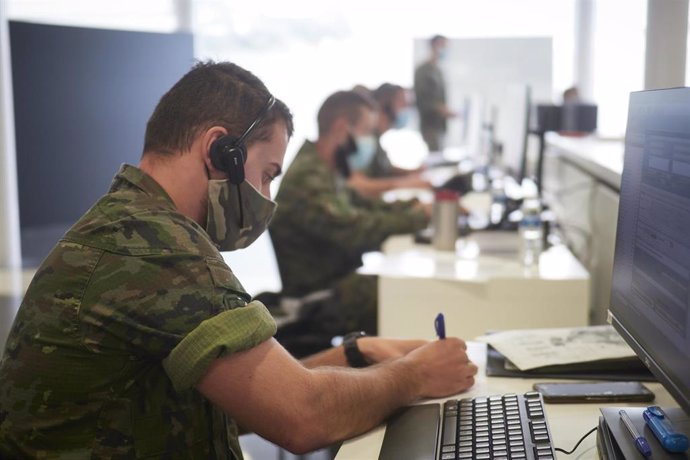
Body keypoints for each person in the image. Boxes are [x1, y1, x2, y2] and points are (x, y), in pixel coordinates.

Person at [0, 61, 478, 458]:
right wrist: (415, 375)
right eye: (266, 174)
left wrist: (356, 355)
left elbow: (243, 398)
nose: (266, 197)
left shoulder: (131, 221)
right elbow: (304, 417)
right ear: (218, 151)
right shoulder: (158, 249)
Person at [270, 90, 431, 337]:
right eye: (366, 131)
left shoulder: (326, 168)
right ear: (342, 128)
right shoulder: (309, 178)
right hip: (314, 300)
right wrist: (420, 217)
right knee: (400, 291)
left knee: (401, 284)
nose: (369, 141)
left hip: (334, 284)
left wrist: (413, 207)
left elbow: (365, 206)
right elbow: (355, 229)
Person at [345, 83, 431, 198]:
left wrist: (412, 173)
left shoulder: (372, 139)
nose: (405, 108)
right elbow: (356, 182)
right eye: (402, 103)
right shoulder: (360, 140)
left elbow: (384, 169)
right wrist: (402, 183)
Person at [414, 34, 455, 152]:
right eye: (443, 46)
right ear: (434, 46)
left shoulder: (438, 70)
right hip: (430, 126)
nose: (445, 50)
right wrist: (442, 109)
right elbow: (422, 100)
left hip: (440, 126)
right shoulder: (423, 71)